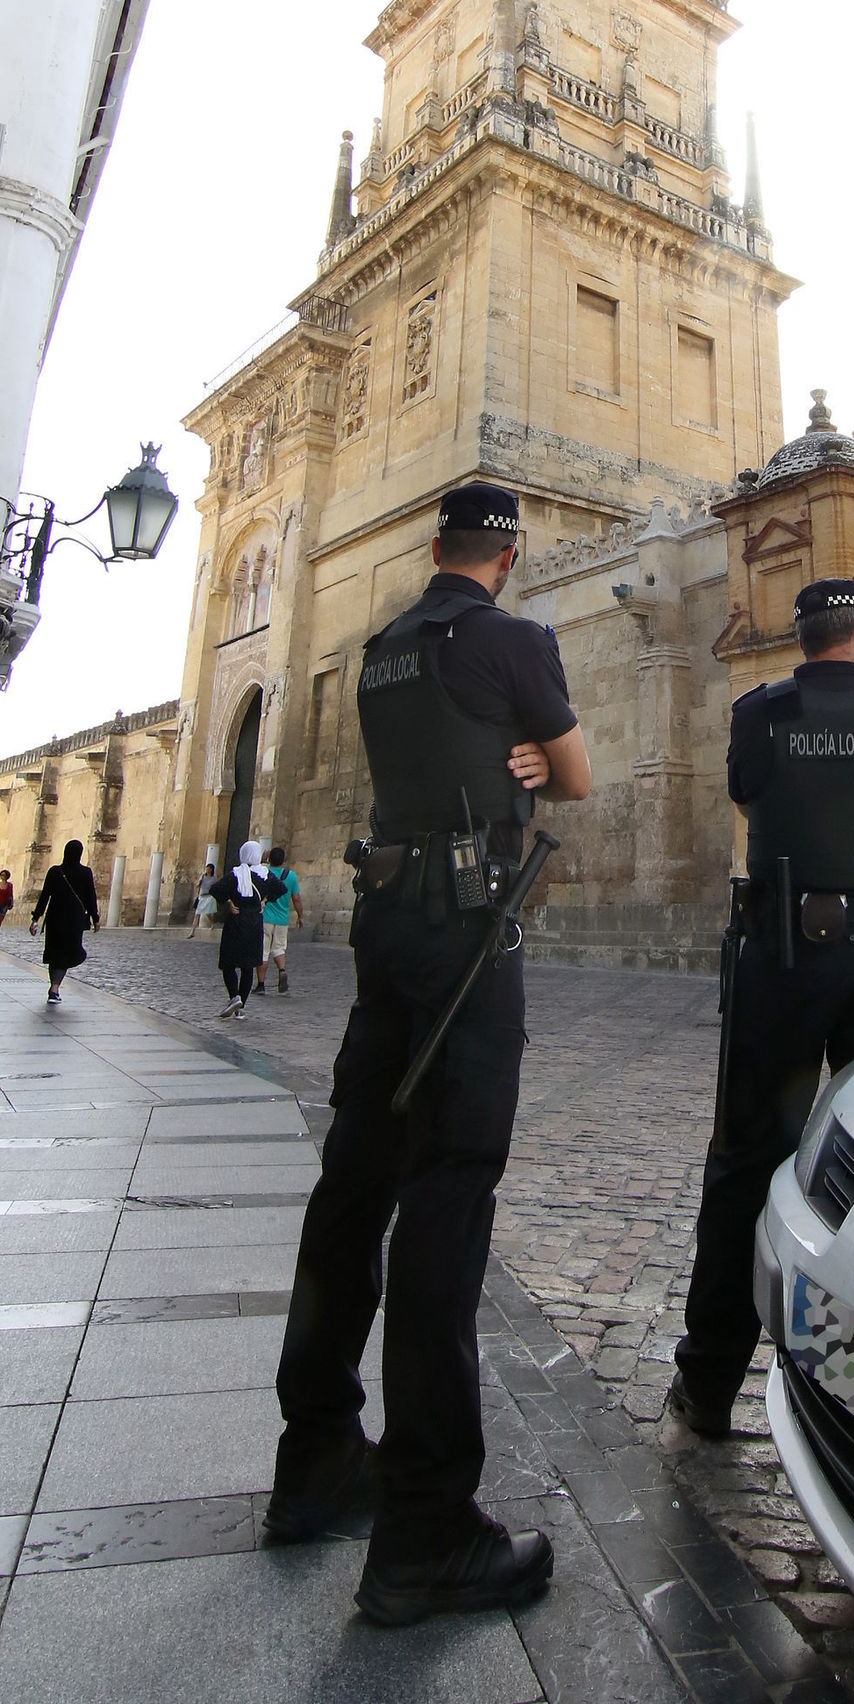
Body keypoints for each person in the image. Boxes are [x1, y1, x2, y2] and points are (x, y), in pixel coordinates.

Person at [266, 481, 591, 1628]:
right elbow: (577, 774)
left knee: (354, 1179)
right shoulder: (514, 639)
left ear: (436, 545)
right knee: (450, 1196)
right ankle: (426, 1527)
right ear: (507, 553)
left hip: (386, 922)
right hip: (463, 933)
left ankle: (314, 1460)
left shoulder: (379, 649)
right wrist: (534, 759)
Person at [667, 576, 854, 1441]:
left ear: (804, 640)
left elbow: (753, 802)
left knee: (748, 1160)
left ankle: (707, 1386)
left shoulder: (759, 714)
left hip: (786, 959)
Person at [30, 841, 99, 1004]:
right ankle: (55, 988)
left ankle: (54, 988)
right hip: (74, 920)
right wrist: (95, 918)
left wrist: (35, 919)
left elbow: (44, 896)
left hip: (55, 918)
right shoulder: (85, 872)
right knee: (68, 952)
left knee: (55, 953)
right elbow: (91, 897)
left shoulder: (55, 871)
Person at [212, 842, 267, 1016]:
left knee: (228, 963)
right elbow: (280, 889)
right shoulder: (264, 875)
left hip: (236, 922)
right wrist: (265, 900)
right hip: (255, 923)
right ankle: (240, 1006)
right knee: (248, 966)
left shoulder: (235, 874)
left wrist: (229, 901)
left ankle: (234, 996)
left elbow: (215, 890)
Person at [256, 846, 303, 993]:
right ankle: (282, 970)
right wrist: (300, 916)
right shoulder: (291, 876)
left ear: (269, 859)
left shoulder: (264, 874)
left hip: (265, 918)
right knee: (279, 948)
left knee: (263, 952)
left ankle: (261, 985)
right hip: (282, 919)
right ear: (284, 860)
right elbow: (296, 898)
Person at [187, 865, 217, 938]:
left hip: (209, 897)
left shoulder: (213, 878)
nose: (207, 870)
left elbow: (215, 887)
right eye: (206, 869)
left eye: (209, 869)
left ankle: (212, 923)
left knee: (208, 914)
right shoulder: (202, 876)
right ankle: (192, 932)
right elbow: (198, 885)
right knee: (197, 914)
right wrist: (198, 883)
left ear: (211, 870)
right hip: (202, 897)